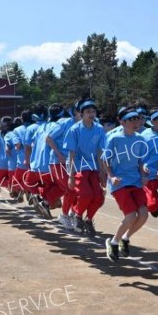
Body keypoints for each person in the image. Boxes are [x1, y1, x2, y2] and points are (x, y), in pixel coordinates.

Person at [102, 107, 149, 261]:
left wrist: (144, 172)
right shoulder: (114, 139)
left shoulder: (140, 139)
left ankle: (126, 239)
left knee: (143, 215)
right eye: (131, 119)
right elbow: (105, 160)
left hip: (135, 181)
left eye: (137, 118)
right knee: (131, 216)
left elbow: (141, 161)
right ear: (122, 122)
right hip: (120, 183)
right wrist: (112, 176)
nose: (136, 122)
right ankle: (113, 242)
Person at [64, 99, 107, 235]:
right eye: (88, 111)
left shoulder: (99, 129)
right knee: (86, 194)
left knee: (99, 197)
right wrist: (71, 176)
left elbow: (100, 152)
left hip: (93, 167)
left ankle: (88, 220)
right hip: (78, 166)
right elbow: (71, 154)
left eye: (93, 111)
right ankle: (77, 215)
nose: (91, 114)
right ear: (81, 114)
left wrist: (102, 172)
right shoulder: (74, 130)